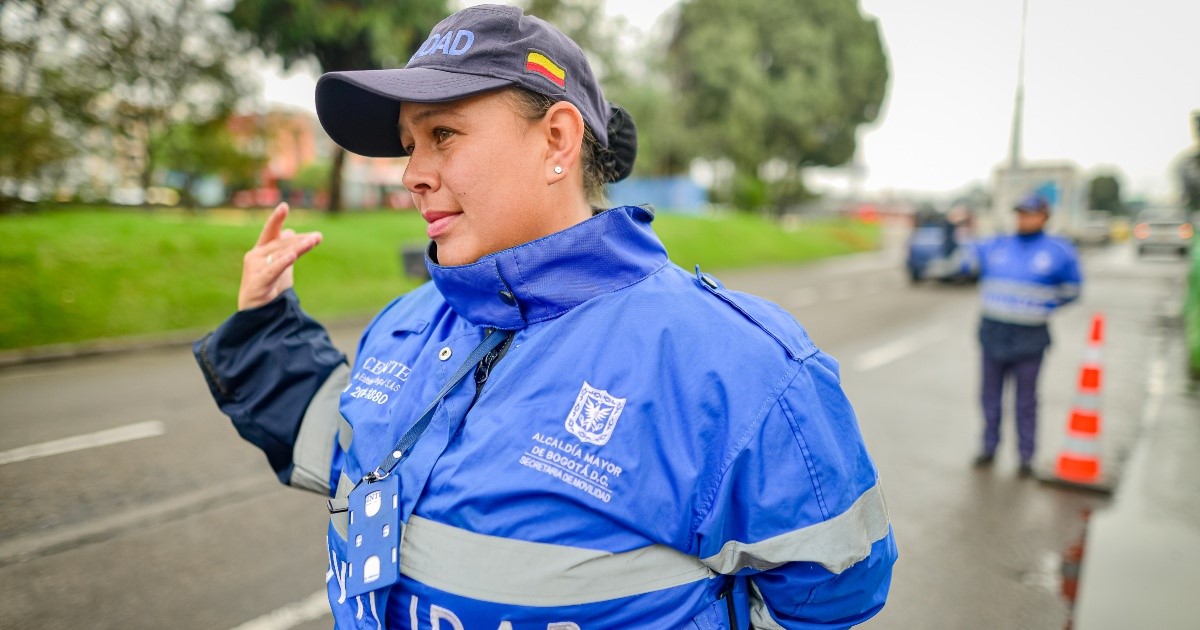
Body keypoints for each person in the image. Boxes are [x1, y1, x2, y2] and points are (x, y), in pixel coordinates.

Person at [194, 5, 895, 628]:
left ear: (558, 141)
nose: (413, 173)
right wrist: (265, 329)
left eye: (443, 134)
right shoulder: (407, 322)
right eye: (411, 145)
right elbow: (344, 454)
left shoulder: (734, 366)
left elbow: (834, 591)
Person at [967, 194, 1082, 476]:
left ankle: (1026, 457)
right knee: (989, 396)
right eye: (1020, 214)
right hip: (993, 333)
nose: (1023, 219)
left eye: (1029, 214)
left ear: (1044, 216)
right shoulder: (997, 245)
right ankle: (988, 448)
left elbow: (1072, 289)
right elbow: (965, 260)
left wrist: (1043, 305)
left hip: (1030, 336)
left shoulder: (1058, 250)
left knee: (1026, 401)